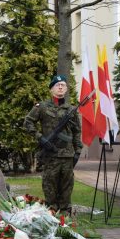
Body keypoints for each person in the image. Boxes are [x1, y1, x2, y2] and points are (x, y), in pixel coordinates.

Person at [23, 75, 83, 215]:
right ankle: (51, 212)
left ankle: (65, 214)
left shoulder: (71, 110)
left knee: (67, 185)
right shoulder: (42, 107)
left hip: (67, 154)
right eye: (57, 85)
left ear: (66, 89)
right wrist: (40, 138)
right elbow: (28, 122)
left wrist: (78, 150)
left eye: (63, 85)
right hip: (50, 155)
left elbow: (77, 131)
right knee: (49, 184)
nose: (60, 87)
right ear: (51, 89)